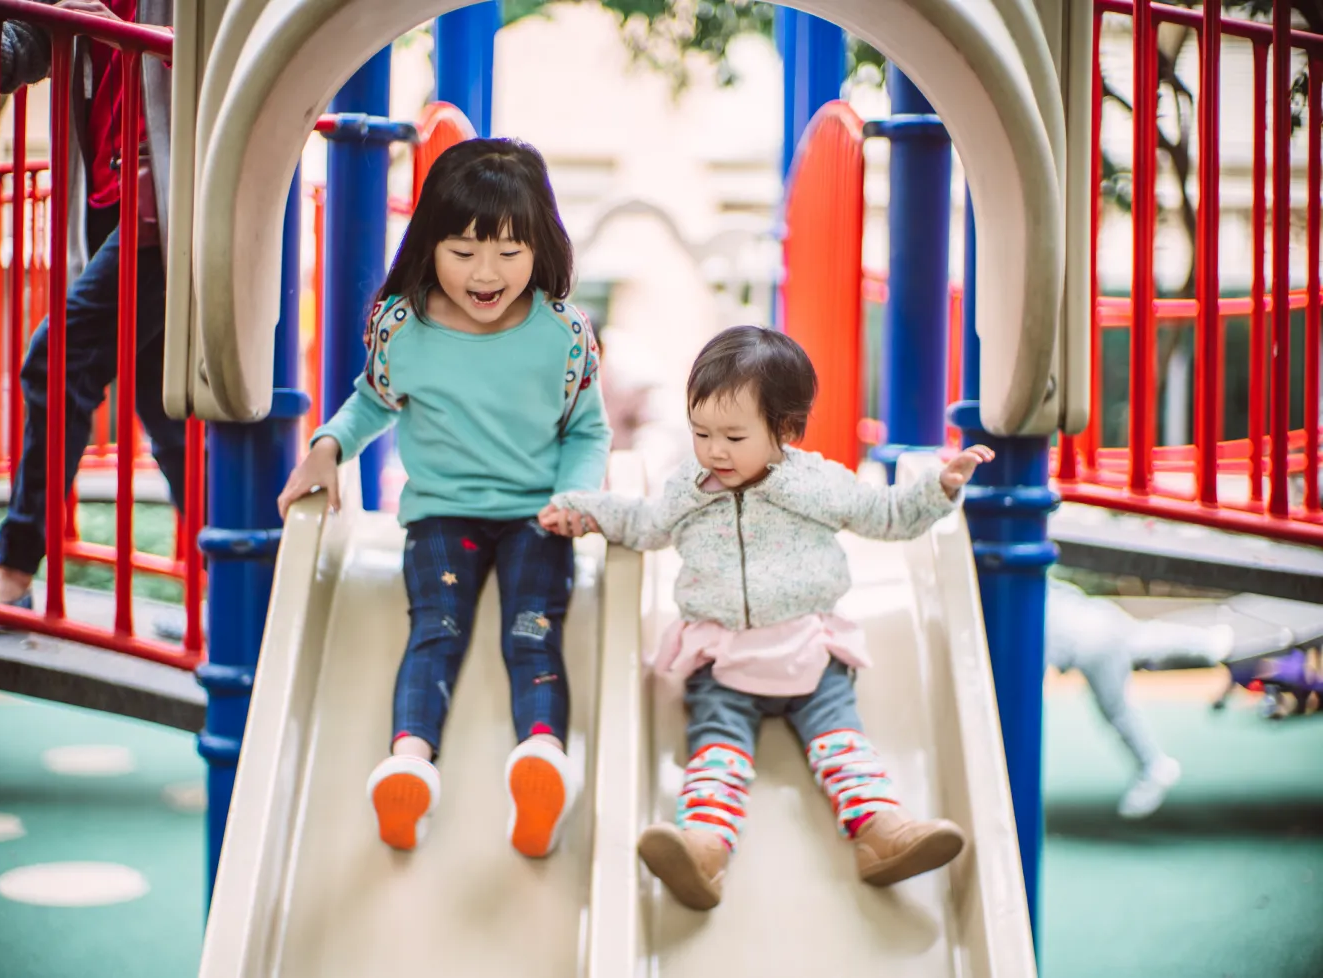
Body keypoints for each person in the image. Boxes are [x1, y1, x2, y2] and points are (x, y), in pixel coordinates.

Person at [540, 326, 992, 910]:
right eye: (701, 432)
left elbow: (885, 516)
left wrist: (939, 488)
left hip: (807, 647)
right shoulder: (690, 488)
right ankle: (703, 850)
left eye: (733, 435)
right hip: (722, 658)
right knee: (716, 757)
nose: (715, 450)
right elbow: (647, 525)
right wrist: (590, 511)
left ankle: (883, 832)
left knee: (844, 747)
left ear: (784, 429)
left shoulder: (816, 483)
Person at [277, 138, 612, 859]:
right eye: (462, 252)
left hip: (535, 515)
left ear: (542, 247)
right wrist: (330, 446)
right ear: (430, 246)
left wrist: (573, 496)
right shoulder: (406, 328)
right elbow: (373, 402)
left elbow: (586, 431)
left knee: (532, 630)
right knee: (436, 628)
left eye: (509, 252)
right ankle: (410, 764)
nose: (485, 274)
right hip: (441, 513)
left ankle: (542, 759)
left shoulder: (563, 335)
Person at [0, 1, 186, 628]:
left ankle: (15, 571)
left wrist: (118, 29)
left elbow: (232, 63)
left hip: (171, 209)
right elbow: (18, 52)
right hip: (112, 202)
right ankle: (243, 597)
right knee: (167, 412)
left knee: (57, 360)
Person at [1045, 578, 1232, 819]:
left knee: (1118, 711)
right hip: (1100, 615)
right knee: (1143, 638)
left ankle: (1153, 764)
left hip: (1091, 647)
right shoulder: (1036, 584)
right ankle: (1206, 643)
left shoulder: (1016, 606)